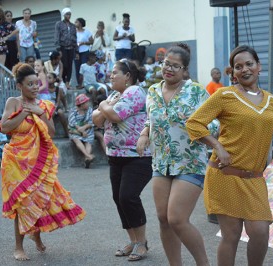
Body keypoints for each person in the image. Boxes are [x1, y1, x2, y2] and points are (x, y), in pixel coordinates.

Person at [186, 45, 273, 266]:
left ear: (259, 67)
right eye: (238, 66)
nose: (244, 69)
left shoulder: (271, 101)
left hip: (254, 178)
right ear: (233, 72)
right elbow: (194, 123)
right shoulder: (224, 95)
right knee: (232, 235)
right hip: (224, 175)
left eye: (249, 64)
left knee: (260, 232)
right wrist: (217, 146)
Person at [0, 63, 86, 261]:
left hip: (38, 161)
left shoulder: (43, 105)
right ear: (20, 85)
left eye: (37, 83)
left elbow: (51, 132)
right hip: (16, 161)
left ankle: (36, 237)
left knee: (40, 199)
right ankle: (18, 247)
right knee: (23, 203)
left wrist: (39, 112)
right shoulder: (13, 102)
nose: (35, 87)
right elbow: (4, 127)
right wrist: (25, 112)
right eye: (30, 84)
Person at [136, 43, 210, 266]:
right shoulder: (152, 91)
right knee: (162, 219)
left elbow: (214, 123)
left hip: (190, 162)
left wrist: (194, 126)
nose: (168, 69)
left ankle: (203, 263)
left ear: (185, 70)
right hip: (161, 161)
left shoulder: (196, 91)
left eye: (175, 66)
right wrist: (144, 133)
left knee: (177, 218)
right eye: (166, 63)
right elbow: (151, 119)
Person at [93, 59, 152, 261]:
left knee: (128, 197)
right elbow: (96, 119)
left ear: (128, 76)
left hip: (136, 157)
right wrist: (106, 107)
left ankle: (142, 243)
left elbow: (115, 115)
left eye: (115, 72)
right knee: (119, 199)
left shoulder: (135, 91)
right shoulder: (115, 95)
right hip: (116, 156)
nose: (111, 75)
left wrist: (103, 105)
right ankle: (134, 241)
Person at [68, 94, 95, 168]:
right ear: (82, 104)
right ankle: (88, 156)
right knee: (76, 140)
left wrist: (84, 128)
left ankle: (87, 159)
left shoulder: (89, 110)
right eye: (86, 102)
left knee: (88, 142)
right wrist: (81, 131)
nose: (88, 104)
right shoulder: (73, 111)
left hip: (87, 129)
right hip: (75, 130)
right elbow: (72, 123)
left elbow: (91, 122)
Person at [55, 7, 77, 89]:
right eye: (67, 14)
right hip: (63, 47)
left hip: (71, 47)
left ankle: (68, 82)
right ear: (64, 15)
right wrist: (58, 49)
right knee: (65, 65)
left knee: (70, 65)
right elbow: (57, 36)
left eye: (70, 14)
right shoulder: (59, 24)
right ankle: (63, 80)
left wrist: (76, 50)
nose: (69, 16)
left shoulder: (73, 26)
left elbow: (75, 37)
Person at [47, 72, 69, 137]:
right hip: (46, 107)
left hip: (55, 106)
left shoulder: (58, 89)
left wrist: (55, 108)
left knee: (61, 113)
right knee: (51, 114)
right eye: (46, 78)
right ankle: (48, 132)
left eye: (49, 78)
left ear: (54, 80)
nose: (47, 79)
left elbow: (58, 101)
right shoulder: (44, 89)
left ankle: (67, 131)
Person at [74, 17, 93, 87]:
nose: (75, 23)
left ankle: (85, 83)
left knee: (84, 67)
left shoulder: (87, 32)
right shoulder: (74, 32)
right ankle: (79, 84)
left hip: (85, 51)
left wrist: (84, 43)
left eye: (76, 22)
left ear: (81, 23)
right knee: (77, 68)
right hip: (76, 52)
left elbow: (92, 41)